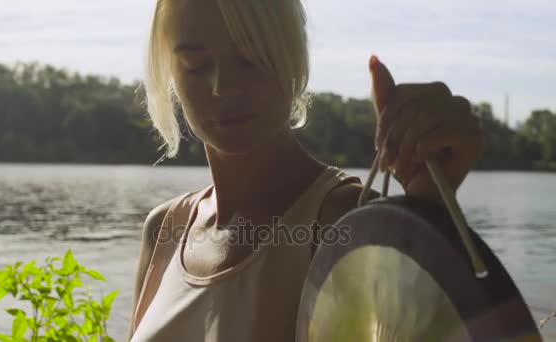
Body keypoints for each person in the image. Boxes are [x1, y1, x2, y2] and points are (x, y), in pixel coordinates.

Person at [126, 0, 484, 340]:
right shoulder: (164, 231)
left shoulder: (343, 222)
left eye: (251, 58)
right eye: (196, 65)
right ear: (172, 74)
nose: (223, 86)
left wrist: (429, 211)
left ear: (294, 60)